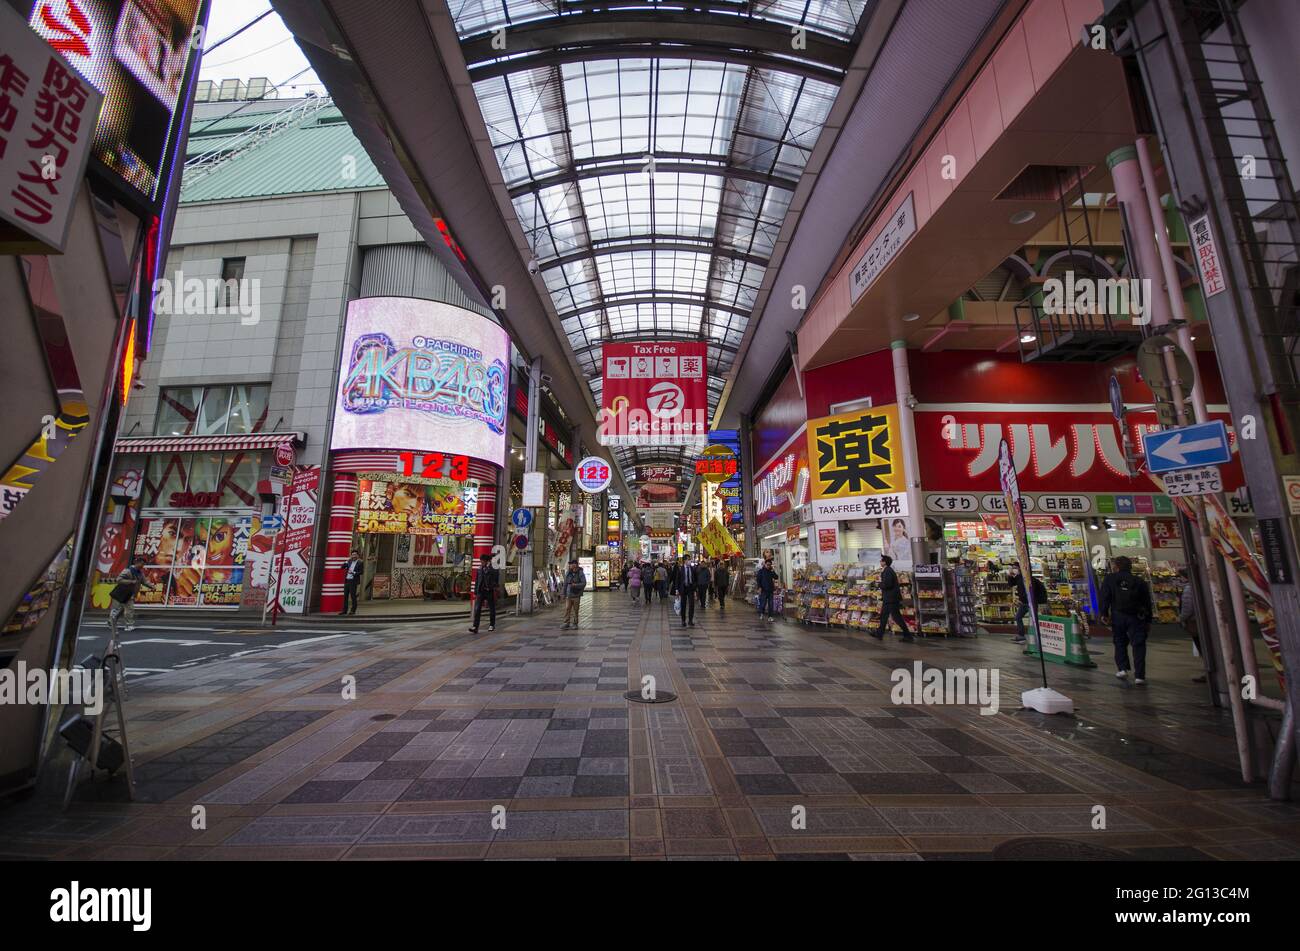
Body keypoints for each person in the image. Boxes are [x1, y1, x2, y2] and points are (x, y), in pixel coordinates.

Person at [1100, 555, 1154, 685]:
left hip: (1118, 615)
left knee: (1119, 641)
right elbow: (1147, 602)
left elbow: (1105, 597)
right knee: (1139, 644)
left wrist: (1104, 613)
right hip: (1136, 616)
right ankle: (1140, 676)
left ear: (1116, 567)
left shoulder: (1110, 579)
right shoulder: (1139, 581)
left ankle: (1122, 669)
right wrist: (1148, 620)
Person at [872, 554, 914, 642]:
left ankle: (908, 635)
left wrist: (879, 584)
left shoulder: (888, 571)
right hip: (890, 598)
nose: (880, 562)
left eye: (881, 560)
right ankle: (879, 633)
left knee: (896, 617)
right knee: (884, 615)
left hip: (891, 598)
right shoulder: (888, 570)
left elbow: (888, 584)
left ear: (885, 562)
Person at [108, 558, 155, 635]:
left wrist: (152, 586)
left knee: (122, 609)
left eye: (144, 564)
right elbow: (119, 579)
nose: (143, 566)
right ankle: (128, 625)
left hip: (130, 594)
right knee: (127, 609)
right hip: (123, 593)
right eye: (142, 564)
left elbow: (144, 581)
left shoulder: (140, 573)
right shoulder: (128, 571)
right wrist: (131, 581)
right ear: (137, 563)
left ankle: (112, 621)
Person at [1178, 569, 1207, 683]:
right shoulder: (1201, 586)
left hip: (1195, 622)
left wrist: (1181, 618)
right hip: (1203, 620)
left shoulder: (1189, 589)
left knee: (1202, 646)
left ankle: (1209, 671)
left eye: (1181, 577)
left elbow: (1187, 607)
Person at [468, 555, 500, 634]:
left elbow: (496, 580)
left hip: (489, 591)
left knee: (492, 608)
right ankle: (475, 626)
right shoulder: (480, 569)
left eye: (482, 561)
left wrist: (493, 586)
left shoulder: (493, 569)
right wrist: (475, 592)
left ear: (487, 561)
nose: (481, 562)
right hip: (481, 591)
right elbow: (477, 581)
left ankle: (492, 625)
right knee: (477, 609)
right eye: (481, 561)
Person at [672, 555, 698, 627]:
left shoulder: (693, 569)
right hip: (683, 589)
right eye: (688, 560)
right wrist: (677, 590)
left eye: (690, 559)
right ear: (684, 561)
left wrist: (695, 588)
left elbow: (695, 579)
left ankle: (690, 620)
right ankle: (683, 620)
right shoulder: (680, 569)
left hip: (690, 588)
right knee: (683, 605)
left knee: (691, 605)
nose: (689, 561)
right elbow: (677, 580)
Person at [1008, 560, 1030, 643]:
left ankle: (1022, 636)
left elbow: (1026, 590)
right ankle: (1021, 635)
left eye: (1015, 568)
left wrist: (1022, 599)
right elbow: (1011, 584)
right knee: (1018, 617)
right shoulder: (1018, 577)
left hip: (1027, 601)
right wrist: (1010, 576)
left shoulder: (1024, 577)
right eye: (1013, 568)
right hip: (1024, 601)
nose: (1014, 569)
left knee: (1018, 617)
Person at [561, 558, 587, 629]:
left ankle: (575, 623)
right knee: (567, 609)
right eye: (570, 564)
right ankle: (566, 623)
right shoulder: (568, 573)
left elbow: (584, 583)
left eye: (571, 564)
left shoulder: (580, 573)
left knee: (576, 610)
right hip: (569, 595)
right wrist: (563, 594)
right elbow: (565, 584)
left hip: (576, 595)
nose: (570, 565)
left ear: (575, 565)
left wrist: (575, 585)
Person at [341, 549, 363, 615]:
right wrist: (346, 561)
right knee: (345, 596)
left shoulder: (360, 562)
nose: (354, 556)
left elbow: (361, 572)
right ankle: (344, 610)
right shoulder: (349, 561)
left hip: (353, 581)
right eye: (352, 554)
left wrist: (353, 572)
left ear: (357, 555)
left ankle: (353, 610)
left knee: (353, 596)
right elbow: (342, 567)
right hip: (347, 580)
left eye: (355, 554)